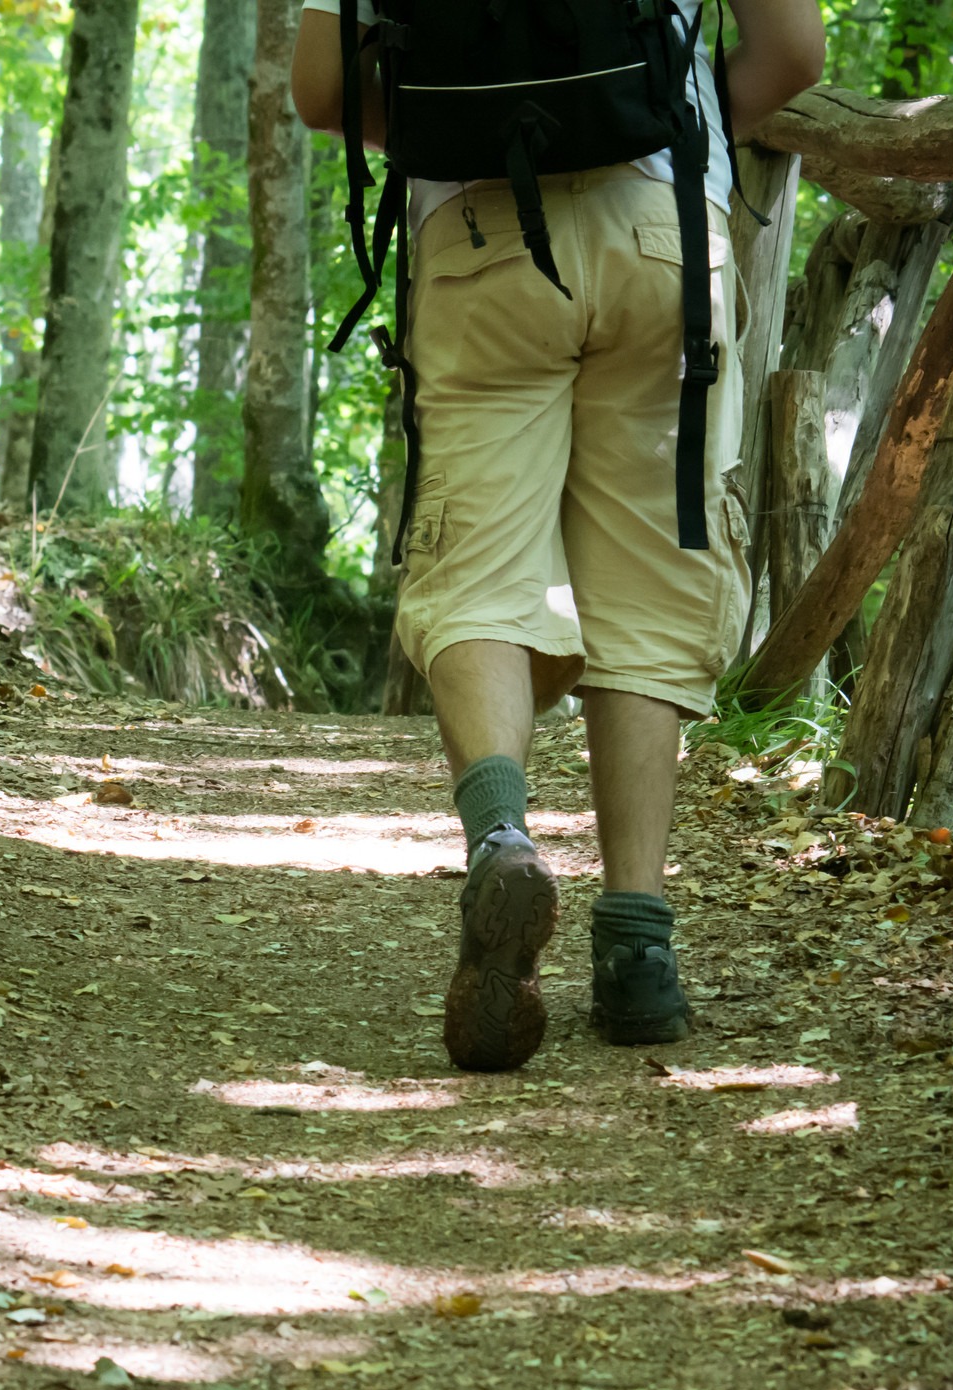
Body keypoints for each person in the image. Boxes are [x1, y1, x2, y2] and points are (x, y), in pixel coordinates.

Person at [292, 0, 824, 1072]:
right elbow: (793, 54)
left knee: (477, 573)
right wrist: (638, 113)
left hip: (476, 231)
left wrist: (479, 126)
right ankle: (637, 946)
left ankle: (501, 837)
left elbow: (321, 85)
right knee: (650, 580)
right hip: (666, 220)